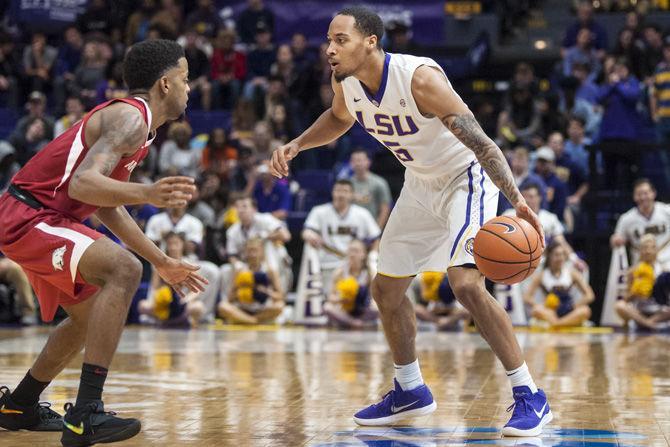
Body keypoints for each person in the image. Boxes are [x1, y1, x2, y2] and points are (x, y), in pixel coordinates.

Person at [269, 7, 550, 436]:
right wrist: (297, 145)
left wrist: (515, 201)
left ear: (371, 42)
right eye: (328, 39)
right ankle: (410, 389)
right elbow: (340, 119)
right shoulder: (344, 81)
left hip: (465, 177)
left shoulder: (419, 79)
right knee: (386, 288)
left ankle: (530, 394)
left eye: (340, 39)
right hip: (419, 183)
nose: (329, 48)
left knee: (466, 284)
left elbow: (485, 145)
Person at [0, 40, 207, 445]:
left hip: (44, 217)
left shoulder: (140, 129)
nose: (189, 88)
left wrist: (162, 260)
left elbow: (104, 204)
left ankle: (19, 405)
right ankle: (86, 415)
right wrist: (148, 193)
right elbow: (82, 184)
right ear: (165, 84)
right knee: (124, 269)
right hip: (29, 216)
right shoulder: (130, 117)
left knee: (89, 317)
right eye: (185, 79)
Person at [302, 179, 381, 295]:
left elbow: (376, 238)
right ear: (332, 192)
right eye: (338, 190)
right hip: (327, 265)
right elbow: (306, 231)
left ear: (352, 195)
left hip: (355, 267)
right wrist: (309, 235)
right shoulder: (319, 211)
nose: (341, 194)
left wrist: (372, 256)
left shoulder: (362, 214)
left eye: (345, 191)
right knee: (331, 299)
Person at [139, 231, 205, 327]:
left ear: (183, 245)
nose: (173, 247)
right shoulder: (160, 264)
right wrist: (159, 300)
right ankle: (164, 319)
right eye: (170, 244)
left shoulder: (190, 263)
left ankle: (184, 319)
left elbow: (197, 290)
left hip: (184, 301)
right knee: (143, 305)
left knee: (198, 307)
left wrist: (186, 300)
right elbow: (154, 288)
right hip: (165, 302)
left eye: (176, 244)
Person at [523, 241, 594, 328]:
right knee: (536, 310)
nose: (560, 258)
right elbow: (527, 297)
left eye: (562, 254)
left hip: (569, 310)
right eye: (556, 255)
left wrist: (574, 306)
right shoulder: (542, 275)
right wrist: (540, 305)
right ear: (549, 256)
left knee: (586, 311)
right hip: (550, 311)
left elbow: (589, 295)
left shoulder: (572, 273)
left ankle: (556, 324)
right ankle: (563, 323)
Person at [218, 238, 284, 324]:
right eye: (249, 251)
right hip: (243, 308)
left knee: (280, 306)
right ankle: (253, 320)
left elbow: (280, 296)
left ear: (261, 252)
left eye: (255, 250)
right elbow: (230, 298)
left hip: (262, 309)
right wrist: (241, 291)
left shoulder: (270, 270)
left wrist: (266, 291)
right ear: (245, 252)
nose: (253, 254)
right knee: (222, 306)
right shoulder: (240, 270)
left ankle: (248, 320)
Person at [611, 178, 670, 269]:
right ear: (634, 197)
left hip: (666, 262)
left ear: (653, 193)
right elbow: (615, 241)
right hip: (640, 265)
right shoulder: (626, 219)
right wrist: (615, 240)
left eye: (646, 193)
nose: (643, 197)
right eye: (639, 194)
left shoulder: (666, 211)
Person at [615, 235, 670, 331]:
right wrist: (635, 291)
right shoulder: (632, 271)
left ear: (656, 250)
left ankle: (646, 323)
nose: (648, 251)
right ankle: (649, 324)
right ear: (640, 251)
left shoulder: (663, 271)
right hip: (639, 311)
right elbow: (625, 299)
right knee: (619, 305)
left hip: (659, 311)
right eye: (645, 248)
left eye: (651, 248)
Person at [324, 239, 378, 329]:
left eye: (356, 251)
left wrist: (362, 300)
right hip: (344, 310)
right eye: (350, 250)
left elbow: (374, 298)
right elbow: (330, 298)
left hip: (362, 309)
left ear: (364, 254)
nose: (352, 254)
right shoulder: (339, 272)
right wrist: (341, 299)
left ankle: (354, 322)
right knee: (327, 308)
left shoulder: (369, 274)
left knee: (377, 308)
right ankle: (353, 322)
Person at [349, 149, 392, 229]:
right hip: (351, 227)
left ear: (368, 162)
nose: (357, 163)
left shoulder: (379, 183)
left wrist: (377, 230)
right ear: (350, 163)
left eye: (360, 160)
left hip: (372, 226)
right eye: (354, 161)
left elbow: (385, 208)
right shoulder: (346, 184)